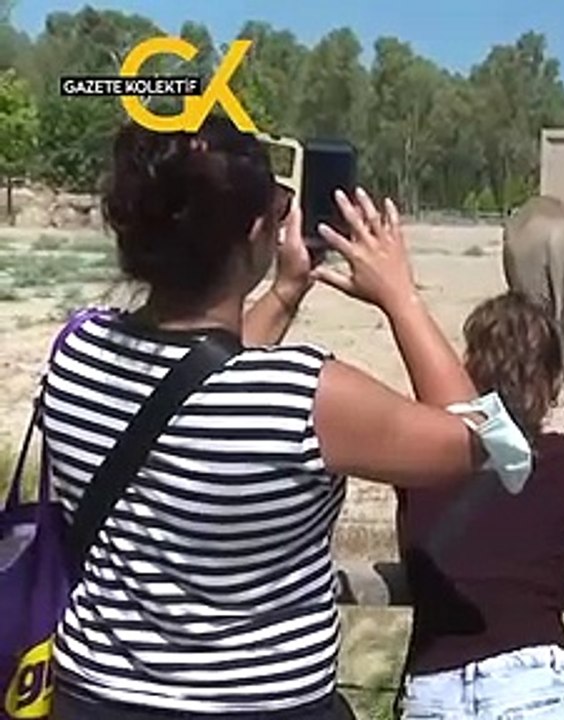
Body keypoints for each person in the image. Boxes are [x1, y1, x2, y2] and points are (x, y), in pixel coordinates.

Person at [43, 117, 527, 718]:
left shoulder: (77, 352)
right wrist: (400, 295)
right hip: (262, 705)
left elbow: (197, 382)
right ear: (257, 233)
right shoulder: (307, 396)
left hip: (93, 696)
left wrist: (285, 293)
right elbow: (484, 443)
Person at [395, 290, 564, 719]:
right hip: (532, 678)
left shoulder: (417, 461)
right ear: (554, 382)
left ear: (467, 371)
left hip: (436, 683)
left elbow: (417, 553)